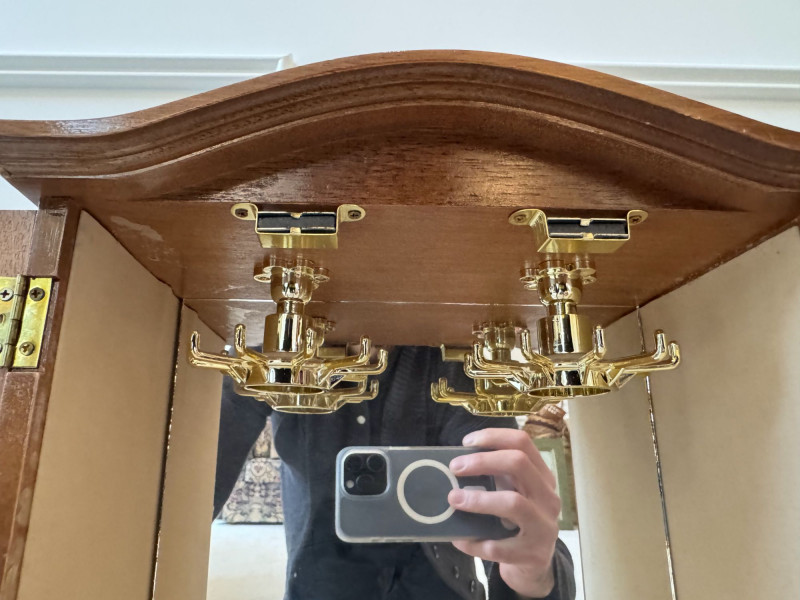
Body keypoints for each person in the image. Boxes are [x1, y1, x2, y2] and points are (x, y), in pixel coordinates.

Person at [215, 346, 576, 600]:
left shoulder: (460, 355)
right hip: (317, 582)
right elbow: (191, 481)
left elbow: (514, 526)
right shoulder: (281, 347)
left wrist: (532, 573)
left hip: (441, 587)